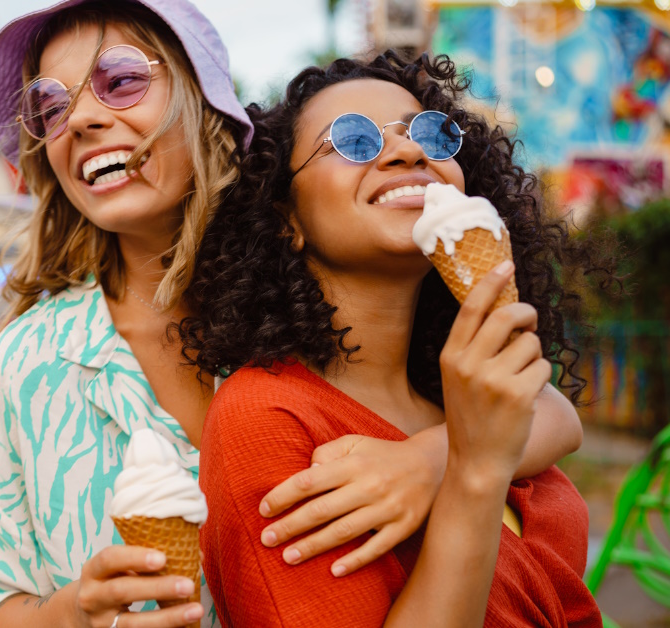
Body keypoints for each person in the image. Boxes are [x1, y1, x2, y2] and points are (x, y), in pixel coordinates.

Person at [0, 2, 583, 626]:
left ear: (206, 102)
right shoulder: (23, 364)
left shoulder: (309, 294)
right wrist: (74, 612)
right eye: (51, 106)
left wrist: (427, 462)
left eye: (122, 81)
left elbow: (545, 411)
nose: (80, 116)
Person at [179, 51, 608, 626]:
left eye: (430, 134)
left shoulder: (453, 389)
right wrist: (473, 472)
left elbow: (557, 414)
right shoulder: (265, 417)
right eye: (352, 140)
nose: (409, 152)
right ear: (287, 220)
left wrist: (430, 460)